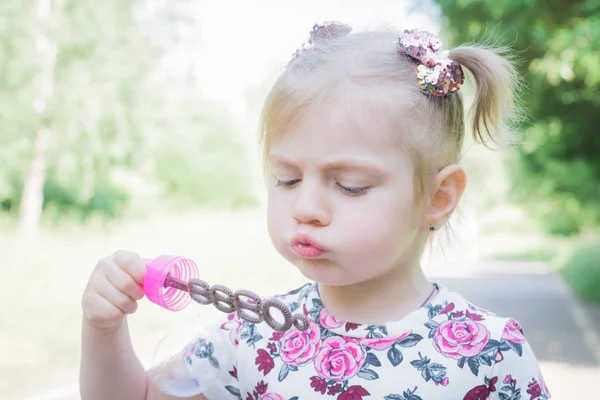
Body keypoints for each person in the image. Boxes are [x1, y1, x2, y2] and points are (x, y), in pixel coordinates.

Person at [80, 22, 552, 400]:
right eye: (286, 179)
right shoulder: (252, 335)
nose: (305, 207)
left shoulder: (489, 353)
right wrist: (103, 328)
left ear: (438, 197)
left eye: (350, 186)